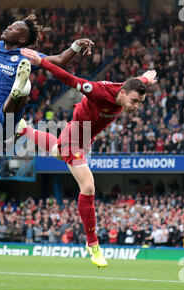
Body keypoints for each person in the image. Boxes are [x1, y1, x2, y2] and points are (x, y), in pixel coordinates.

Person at [0, 14, 94, 273]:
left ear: (21, 38)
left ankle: (21, 88)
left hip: (5, 114)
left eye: (14, 27)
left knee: (16, 99)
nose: (8, 26)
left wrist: (75, 45)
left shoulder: (27, 52)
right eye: (9, 24)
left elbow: (59, 61)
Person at [18, 47, 157, 267]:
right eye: (134, 102)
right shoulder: (99, 91)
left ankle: (24, 130)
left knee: (56, 151)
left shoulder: (128, 90)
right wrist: (40, 62)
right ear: (121, 93)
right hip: (77, 134)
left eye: (139, 103)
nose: (136, 107)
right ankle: (93, 245)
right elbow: (69, 78)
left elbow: (134, 83)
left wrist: (145, 79)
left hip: (86, 136)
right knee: (88, 186)